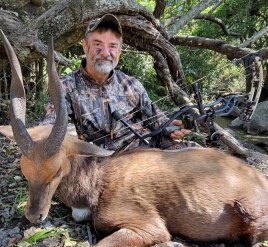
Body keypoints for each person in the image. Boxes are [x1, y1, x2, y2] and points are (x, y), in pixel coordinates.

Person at [42, 14, 191, 151]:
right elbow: (49, 128)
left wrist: (171, 127)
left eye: (112, 46)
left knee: (195, 157)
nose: (106, 53)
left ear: (119, 51)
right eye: (98, 45)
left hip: (147, 149)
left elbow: (155, 118)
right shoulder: (66, 86)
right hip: (105, 163)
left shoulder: (131, 84)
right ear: (85, 46)